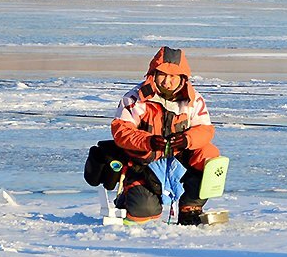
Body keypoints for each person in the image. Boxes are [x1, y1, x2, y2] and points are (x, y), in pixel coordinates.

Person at [84, 46, 222, 224]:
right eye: (163, 75)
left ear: (182, 77)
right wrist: (147, 141)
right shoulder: (135, 98)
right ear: (153, 74)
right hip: (144, 162)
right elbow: (121, 131)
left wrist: (187, 139)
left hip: (179, 158)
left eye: (173, 76)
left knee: (210, 156)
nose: (167, 81)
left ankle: (191, 207)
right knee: (144, 213)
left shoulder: (193, 100)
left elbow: (205, 129)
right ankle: (126, 200)